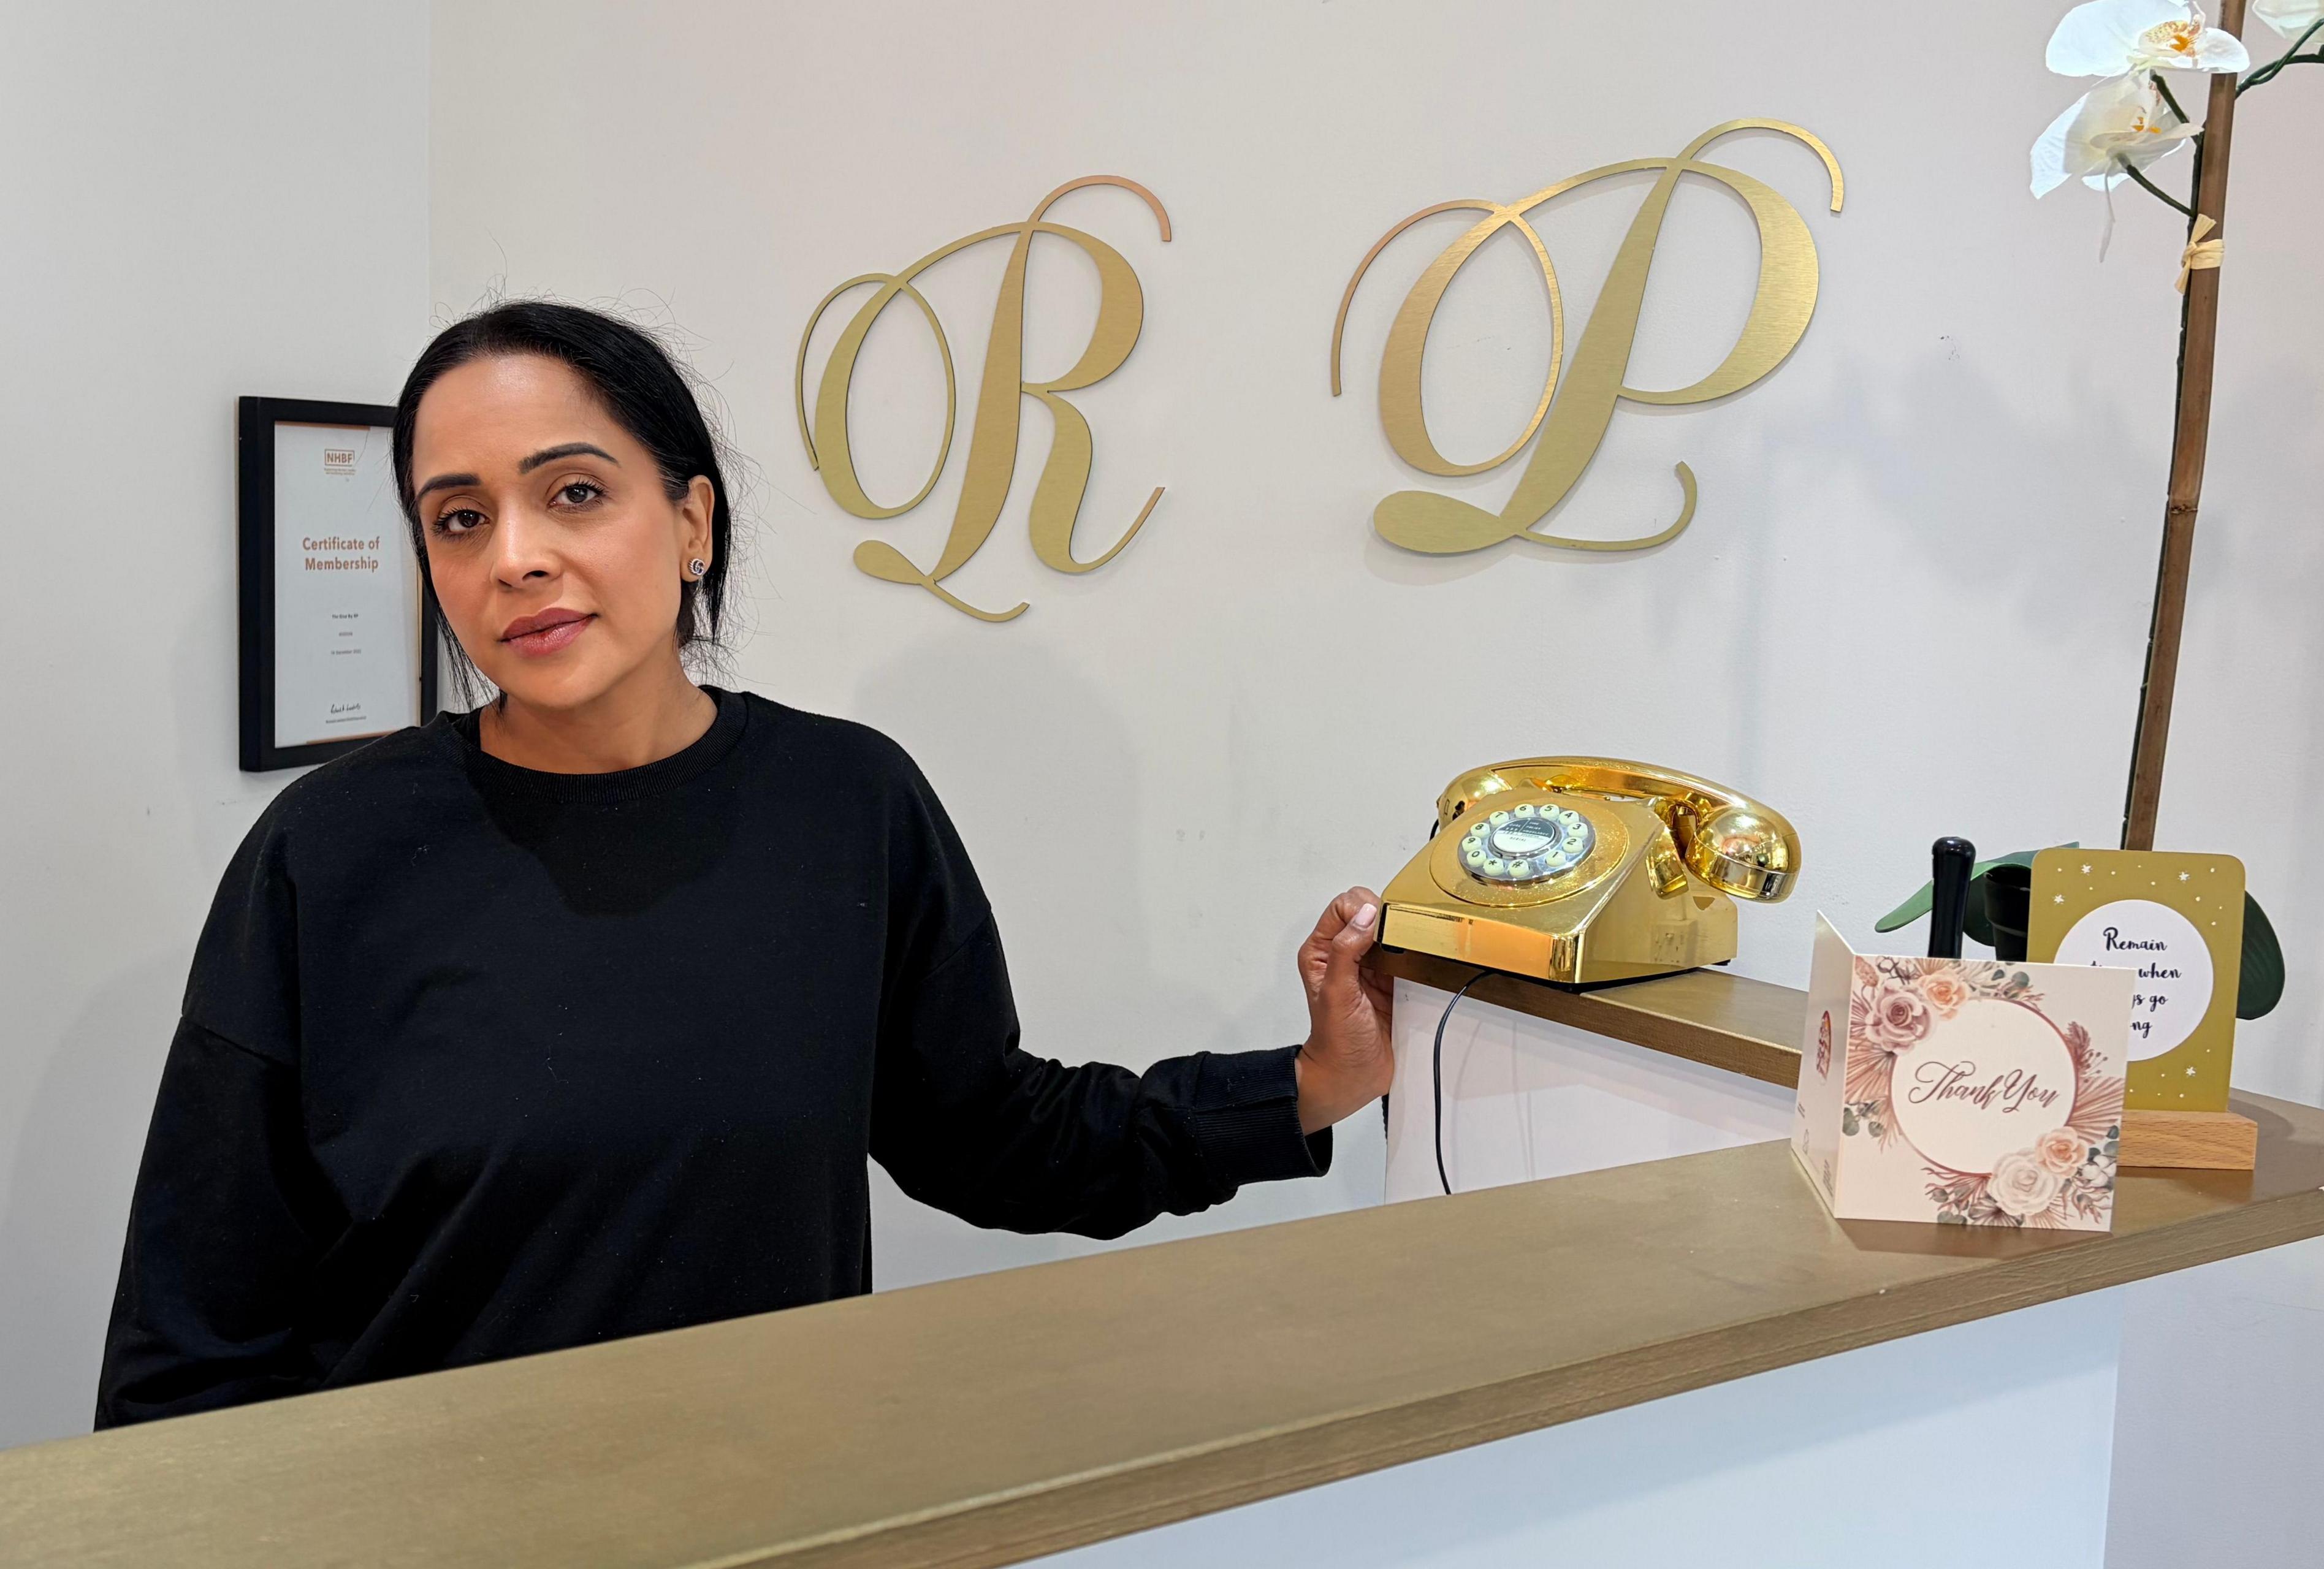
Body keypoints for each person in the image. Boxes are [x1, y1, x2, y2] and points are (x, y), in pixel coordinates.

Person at [94, 302, 1392, 1427]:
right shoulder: (330, 850)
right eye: (460, 518)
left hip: (773, 1504)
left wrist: (1306, 1085)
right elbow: (194, 1326)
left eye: (574, 492)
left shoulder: (845, 804)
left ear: (692, 519)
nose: (516, 556)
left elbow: (997, 1135)